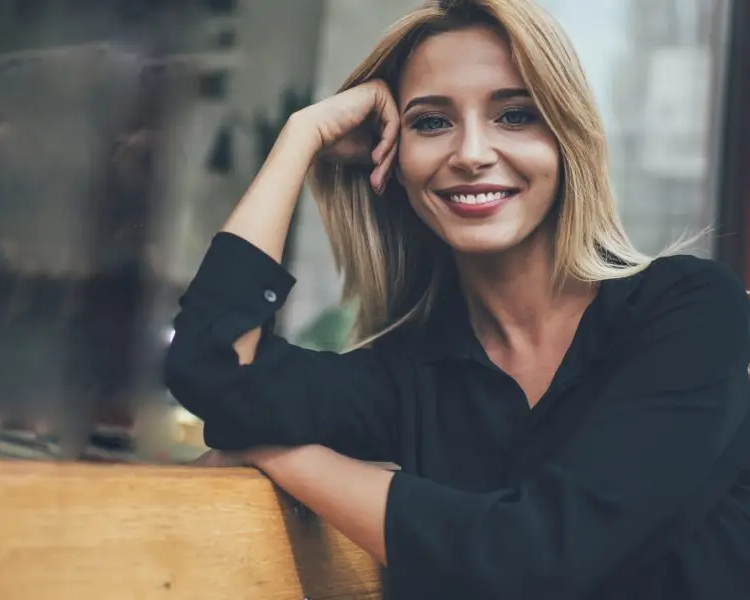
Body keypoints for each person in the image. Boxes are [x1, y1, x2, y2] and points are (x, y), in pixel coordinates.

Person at [163, 0, 750, 598]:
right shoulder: (409, 372)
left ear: (568, 140)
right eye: (431, 122)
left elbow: (541, 559)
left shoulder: (689, 312)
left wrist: (278, 453)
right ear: (390, 161)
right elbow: (213, 369)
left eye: (515, 115)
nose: (470, 153)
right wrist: (300, 137)